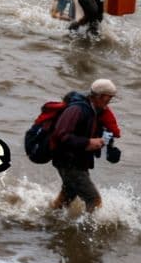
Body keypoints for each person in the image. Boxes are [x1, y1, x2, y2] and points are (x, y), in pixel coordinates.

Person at [50, 78, 119, 213]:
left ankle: (47, 219)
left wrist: (110, 149)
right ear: (99, 96)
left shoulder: (95, 111)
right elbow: (61, 135)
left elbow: (97, 134)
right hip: (68, 162)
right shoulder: (77, 109)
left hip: (77, 162)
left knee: (67, 197)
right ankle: (88, 233)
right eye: (108, 98)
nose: (109, 101)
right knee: (94, 199)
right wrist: (88, 142)